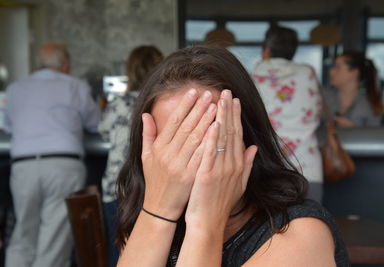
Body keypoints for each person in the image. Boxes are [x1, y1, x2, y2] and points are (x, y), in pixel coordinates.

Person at [115, 45, 349, 266]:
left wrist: (206, 223)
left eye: (211, 137)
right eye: (173, 144)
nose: (188, 162)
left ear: (247, 138)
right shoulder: (146, 214)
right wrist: (157, 213)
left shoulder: (302, 235)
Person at [4, 41, 101, 267]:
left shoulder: (15, 88)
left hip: (23, 166)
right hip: (63, 165)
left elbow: (8, 127)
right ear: (65, 65)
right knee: (54, 241)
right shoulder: (76, 86)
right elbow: (96, 123)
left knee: (22, 234)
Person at [98, 45, 163, 267]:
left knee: (118, 251)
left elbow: (103, 131)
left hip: (117, 188)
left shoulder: (118, 103)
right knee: (156, 248)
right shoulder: (160, 103)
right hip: (150, 186)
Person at [252, 26, 323, 203]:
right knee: (313, 225)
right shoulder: (308, 73)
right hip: (308, 167)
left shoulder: (255, 75)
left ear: (266, 50)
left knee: (272, 228)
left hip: (269, 169)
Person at [328, 51, 384, 127]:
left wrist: (353, 130)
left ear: (354, 72)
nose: (331, 72)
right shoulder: (322, 97)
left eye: (337, 68)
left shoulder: (369, 104)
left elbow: (375, 136)